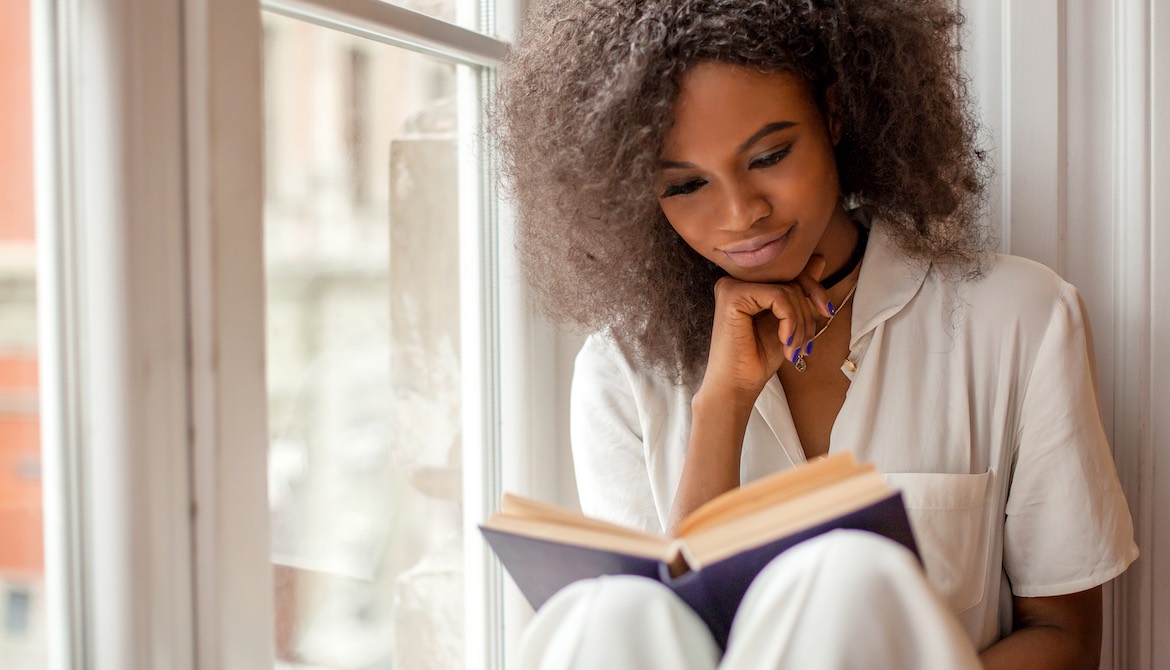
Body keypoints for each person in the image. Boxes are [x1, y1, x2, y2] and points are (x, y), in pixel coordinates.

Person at [494, 0, 1138, 668]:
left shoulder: (1019, 317)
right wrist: (723, 404)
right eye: (686, 185)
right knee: (611, 610)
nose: (743, 214)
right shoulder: (620, 370)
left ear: (833, 116)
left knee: (844, 578)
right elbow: (657, 639)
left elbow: (1066, 635)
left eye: (769, 155)